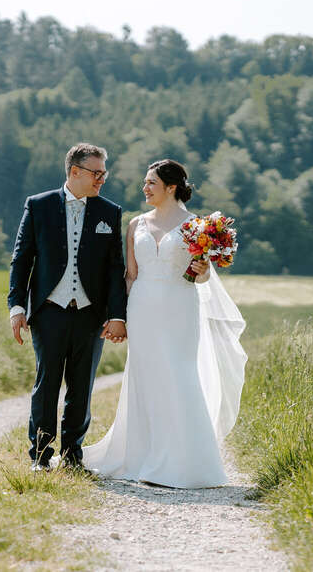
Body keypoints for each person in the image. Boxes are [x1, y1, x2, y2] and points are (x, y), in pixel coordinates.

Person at [83, 159, 247, 488]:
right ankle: (142, 457)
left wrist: (203, 272)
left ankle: (183, 463)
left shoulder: (196, 226)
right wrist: (119, 317)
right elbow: (130, 275)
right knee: (145, 378)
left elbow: (201, 278)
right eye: (145, 182)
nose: (144, 188)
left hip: (179, 308)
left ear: (171, 187)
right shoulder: (135, 224)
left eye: (151, 183)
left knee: (179, 375)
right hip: (143, 308)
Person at [8, 143, 128, 471]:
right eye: (97, 172)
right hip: (49, 311)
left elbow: (114, 269)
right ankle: (41, 456)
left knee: (82, 386)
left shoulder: (109, 212)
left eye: (104, 172)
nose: (102, 179)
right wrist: (17, 307)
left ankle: (73, 456)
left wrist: (117, 315)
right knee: (47, 385)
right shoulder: (39, 206)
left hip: (91, 314)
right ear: (75, 172)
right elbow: (21, 259)